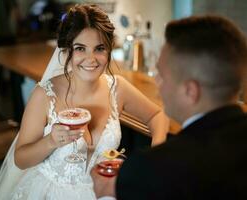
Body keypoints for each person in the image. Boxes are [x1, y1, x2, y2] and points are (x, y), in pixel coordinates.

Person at [0, 4, 169, 200]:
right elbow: (20, 159)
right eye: (80, 48)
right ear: (67, 51)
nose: (91, 59)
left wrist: (154, 156)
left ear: (109, 50)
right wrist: (50, 141)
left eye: (99, 48)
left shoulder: (118, 88)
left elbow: (158, 115)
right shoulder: (45, 94)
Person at [92, 15, 247, 200]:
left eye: (162, 75)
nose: (157, 82)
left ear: (190, 91)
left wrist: (106, 192)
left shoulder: (150, 171)